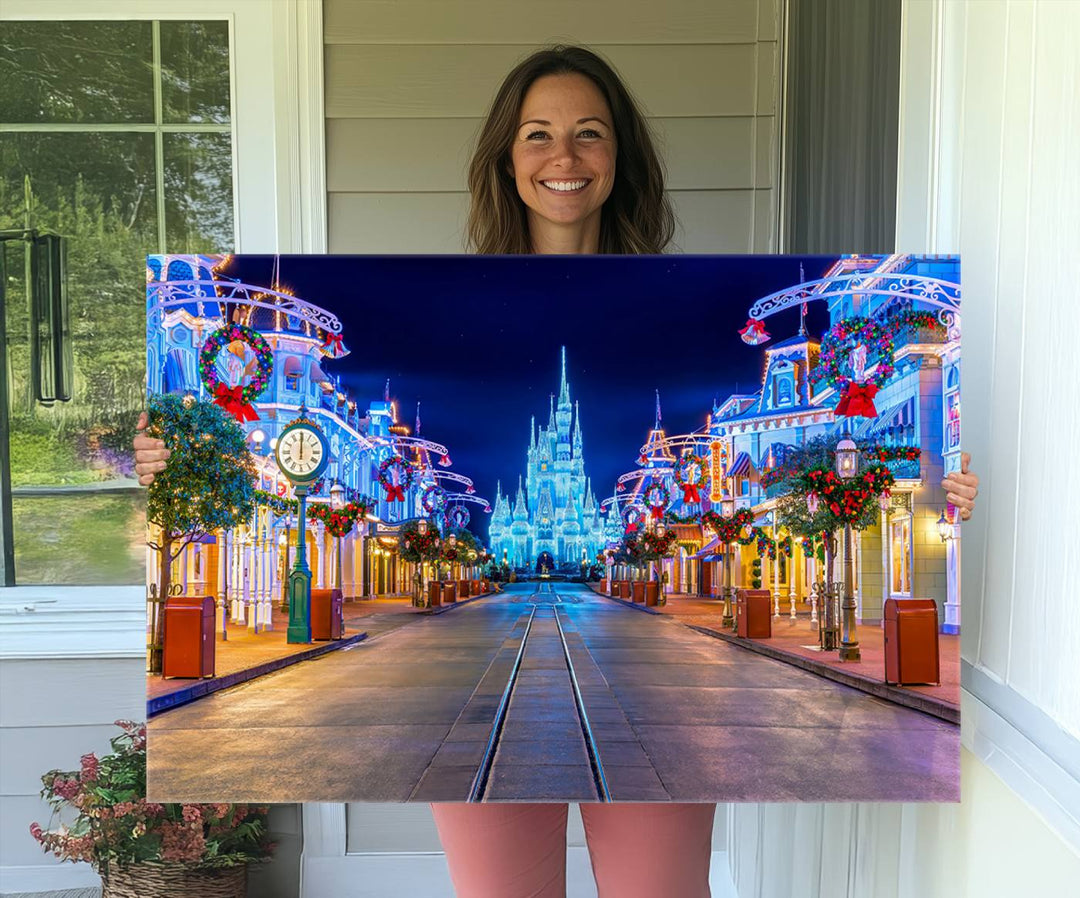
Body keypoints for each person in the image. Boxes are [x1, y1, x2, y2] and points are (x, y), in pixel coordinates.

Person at [134, 44, 981, 898]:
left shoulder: (670, 311)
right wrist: (154, 459)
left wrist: (950, 474)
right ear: (507, 158)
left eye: (589, 133)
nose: (563, 156)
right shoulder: (510, 428)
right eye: (538, 134)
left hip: (657, 719)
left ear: (620, 157)